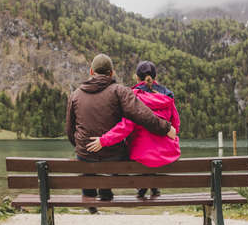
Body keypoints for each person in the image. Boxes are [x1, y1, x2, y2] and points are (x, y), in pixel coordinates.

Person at [66, 54, 176, 213]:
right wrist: (166, 128)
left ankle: (90, 198)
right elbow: (142, 115)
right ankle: (106, 191)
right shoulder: (119, 91)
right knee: (124, 150)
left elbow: (70, 130)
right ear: (112, 73)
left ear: (91, 71)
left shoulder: (75, 94)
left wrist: (81, 145)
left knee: (85, 157)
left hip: (85, 153)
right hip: (113, 154)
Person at [87, 60, 180, 198]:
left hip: (142, 155)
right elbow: (176, 125)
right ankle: (151, 188)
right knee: (152, 147)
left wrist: (103, 140)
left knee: (138, 148)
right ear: (155, 77)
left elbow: (125, 127)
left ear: (137, 77)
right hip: (167, 153)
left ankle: (141, 187)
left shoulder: (133, 98)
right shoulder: (167, 97)